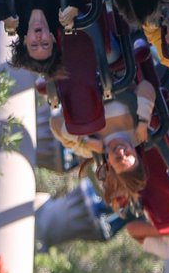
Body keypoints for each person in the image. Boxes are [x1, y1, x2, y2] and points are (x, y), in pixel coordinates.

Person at [49, 79, 156, 208]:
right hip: (112, 72)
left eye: (118, 158)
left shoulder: (89, 149)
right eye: (128, 154)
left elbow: (55, 122)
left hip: (76, 84)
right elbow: (146, 86)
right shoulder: (139, 132)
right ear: (135, 153)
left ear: (110, 163)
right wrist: (144, 121)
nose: (121, 151)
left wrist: (83, 140)